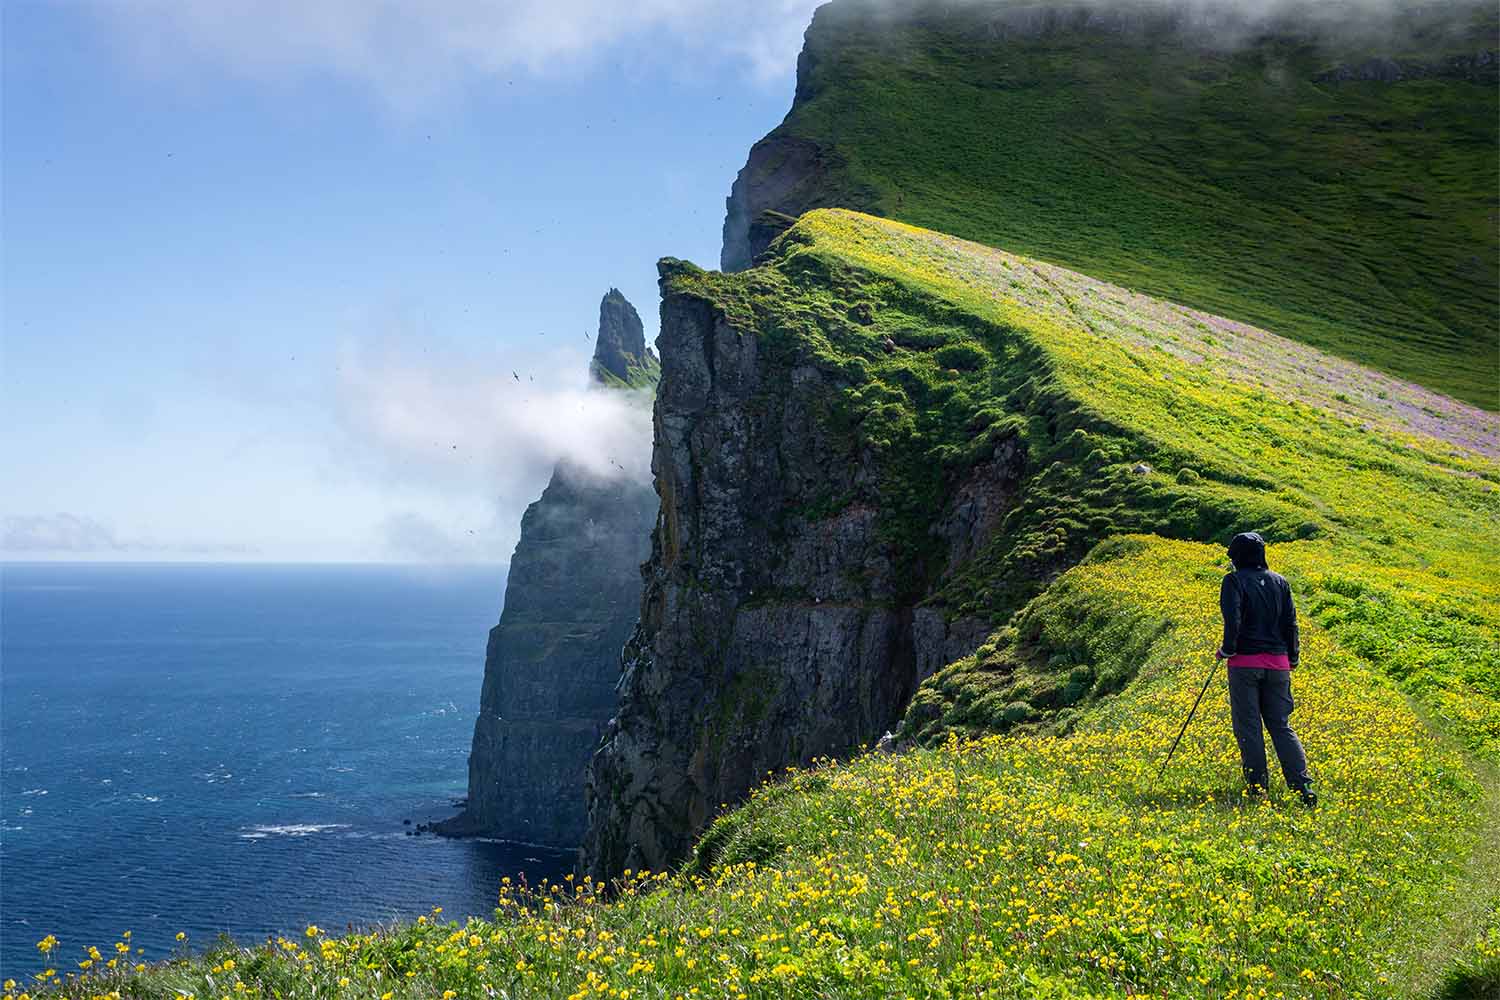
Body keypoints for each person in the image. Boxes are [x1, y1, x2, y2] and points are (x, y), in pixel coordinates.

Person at [1216, 531, 1316, 806]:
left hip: (1245, 664)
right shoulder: (1281, 582)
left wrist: (1227, 649)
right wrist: (1292, 657)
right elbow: (1291, 624)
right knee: (1281, 725)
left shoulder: (1233, 581)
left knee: (1249, 727)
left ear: (1237, 557)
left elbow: (1232, 620)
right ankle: (1303, 786)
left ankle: (1258, 789)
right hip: (1279, 663)